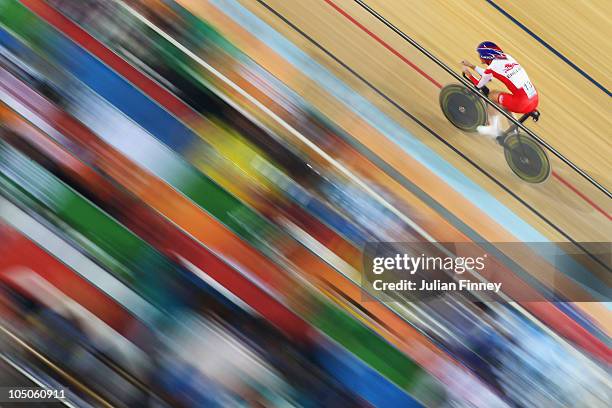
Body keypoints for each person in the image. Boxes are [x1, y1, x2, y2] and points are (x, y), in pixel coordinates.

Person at [461, 41, 539, 140]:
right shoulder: (507, 57)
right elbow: (488, 75)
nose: (479, 56)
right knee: (504, 100)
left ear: (486, 57)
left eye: (480, 55)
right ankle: (514, 132)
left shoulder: (492, 67)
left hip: (522, 103)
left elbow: (480, 84)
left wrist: (468, 73)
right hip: (534, 98)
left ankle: (493, 128)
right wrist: (471, 65)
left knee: (492, 95)